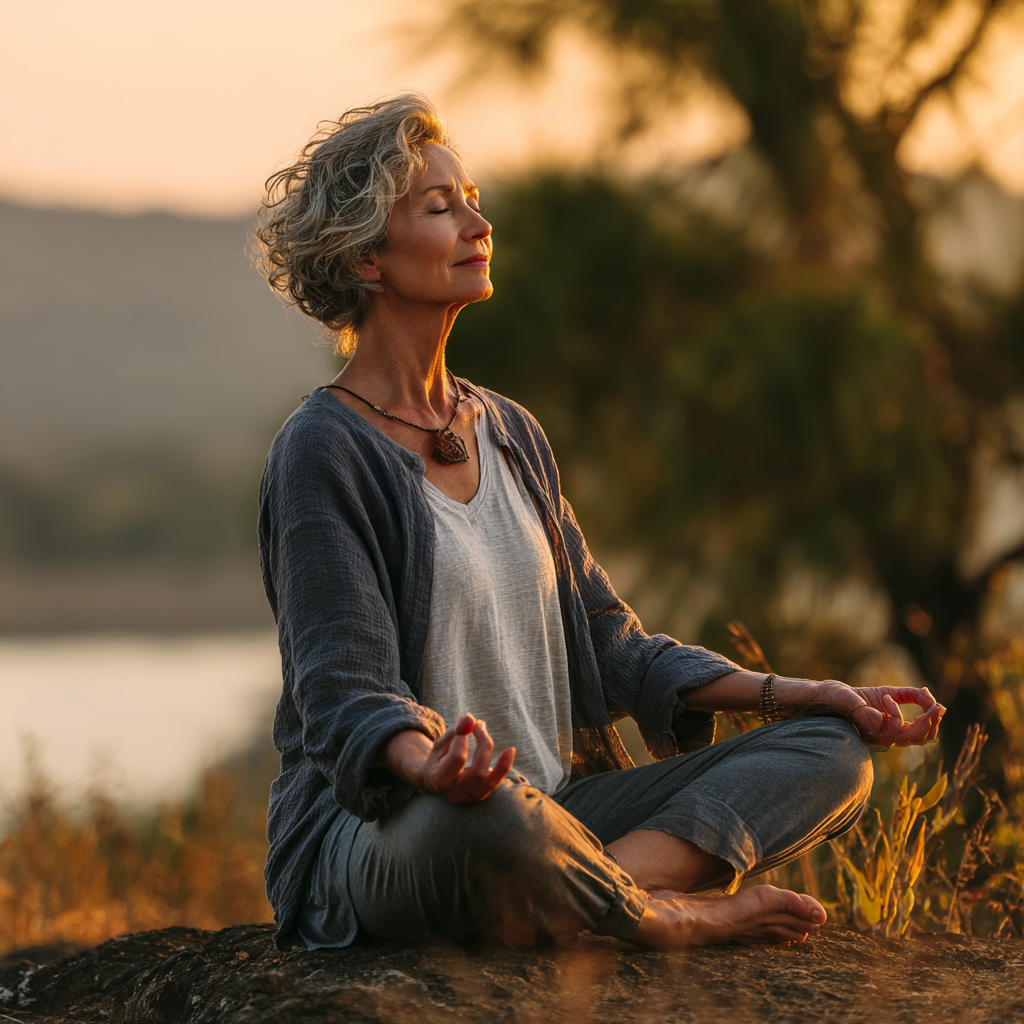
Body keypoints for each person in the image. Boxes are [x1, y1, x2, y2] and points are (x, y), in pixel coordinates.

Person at [254, 93, 945, 952]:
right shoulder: (324, 448)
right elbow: (343, 692)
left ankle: (573, 892)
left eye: (472, 199)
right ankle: (654, 915)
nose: (479, 221)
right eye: (442, 208)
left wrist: (809, 694)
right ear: (365, 257)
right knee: (493, 822)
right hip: (401, 827)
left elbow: (612, 644)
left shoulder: (509, 431)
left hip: (560, 813)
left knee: (832, 753)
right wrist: (431, 767)